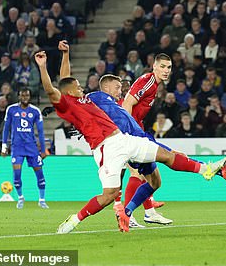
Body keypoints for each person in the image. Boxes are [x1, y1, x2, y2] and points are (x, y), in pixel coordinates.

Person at [33, 51, 226, 234]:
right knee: (109, 195)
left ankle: (206, 170)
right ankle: (75, 220)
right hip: (106, 149)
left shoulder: (87, 99)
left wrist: (66, 53)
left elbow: (66, 79)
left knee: (166, 156)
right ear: (69, 92)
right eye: (77, 86)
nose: (81, 86)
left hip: (124, 139)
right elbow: (53, 88)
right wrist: (43, 67)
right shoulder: (69, 104)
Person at [56, 40, 177, 227]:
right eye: (118, 88)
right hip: (111, 144)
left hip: (120, 142)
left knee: (138, 176)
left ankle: (139, 210)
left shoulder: (114, 105)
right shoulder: (94, 98)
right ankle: (131, 213)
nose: (121, 92)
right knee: (136, 175)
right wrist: (65, 55)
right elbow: (67, 85)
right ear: (106, 88)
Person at [1, 88, 48, 209]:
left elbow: (41, 132)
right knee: (17, 176)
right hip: (17, 147)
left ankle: (42, 200)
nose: (25, 98)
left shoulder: (35, 111)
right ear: (19, 96)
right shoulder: (11, 110)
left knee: (40, 174)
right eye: (23, 95)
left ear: (30, 97)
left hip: (31, 147)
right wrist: (4, 146)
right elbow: (6, 129)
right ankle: (20, 198)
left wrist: (43, 149)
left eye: (27, 95)